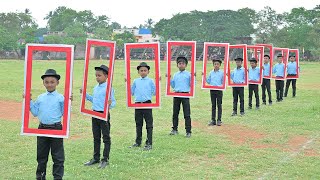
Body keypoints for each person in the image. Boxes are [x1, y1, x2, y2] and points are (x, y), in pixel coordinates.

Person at [27, 69, 71, 180]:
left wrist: (68, 102)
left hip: (56, 129)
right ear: (43, 83)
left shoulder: (61, 98)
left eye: (52, 82)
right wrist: (29, 99)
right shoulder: (41, 97)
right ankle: (40, 177)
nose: (49, 84)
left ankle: (57, 177)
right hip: (42, 129)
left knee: (58, 157)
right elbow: (35, 113)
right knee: (41, 156)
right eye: (47, 82)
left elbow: (65, 113)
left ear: (57, 83)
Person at [82, 65, 116, 169]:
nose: (97, 77)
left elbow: (113, 102)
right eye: (96, 75)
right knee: (96, 137)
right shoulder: (96, 88)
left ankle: (105, 159)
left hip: (104, 115)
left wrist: (111, 103)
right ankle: (96, 158)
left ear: (106, 76)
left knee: (106, 138)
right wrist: (85, 95)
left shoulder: (109, 88)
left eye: (99, 75)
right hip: (94, 114)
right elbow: (95, 100)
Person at [129, 62, 156, 150]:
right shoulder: (135, 81)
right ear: (138, 72)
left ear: (148, 71)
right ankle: (138, 141)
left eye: (145, 70)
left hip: (147, 103)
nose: (143, 72)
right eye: (141, 70)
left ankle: (149, 143)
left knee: (149, 124)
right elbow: (131, 92)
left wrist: (158, 83)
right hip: (138, 104)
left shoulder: (151, 81)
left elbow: (155, 92)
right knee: (138, 124)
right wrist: (127, 84)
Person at [169, 56, 193, 137]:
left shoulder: (189, 74)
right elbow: (173, 85)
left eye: (183, 63)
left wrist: (193, 78)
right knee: (175, 113)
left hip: (185, 95)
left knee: (187, 114)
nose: (181, 65)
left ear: (186, 65)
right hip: (176, 94)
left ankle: (188, 131)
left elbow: (192, 84)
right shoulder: (175, 75)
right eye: (179, 63)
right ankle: (174, 129)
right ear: (177, 65)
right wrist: (168, 79)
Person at [206, 55, 224, 126]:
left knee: (219, 105)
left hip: (219, 90)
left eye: (217, 64)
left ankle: (219, 120)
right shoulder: (211, 73)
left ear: (220, 65)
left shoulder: (222, 73)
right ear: (213, 65)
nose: (216, 65)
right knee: (213, 105)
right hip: (212, 90)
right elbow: (208, 81)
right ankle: (213, 120)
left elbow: (223, 81)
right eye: (215, 64)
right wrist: (203, 76)